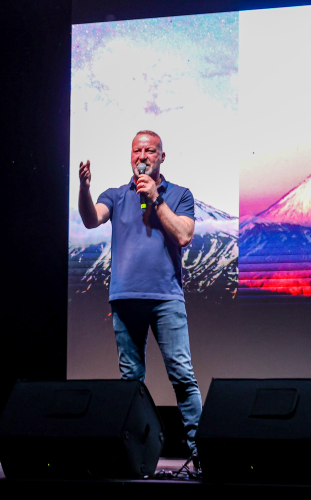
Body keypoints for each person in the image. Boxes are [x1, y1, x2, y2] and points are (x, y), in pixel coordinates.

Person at [78, 130, 203, 462]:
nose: (142, 157)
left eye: (149, 151)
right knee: (130, 382)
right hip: (125, 299)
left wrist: (155, 199)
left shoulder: (180, 194)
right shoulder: (115, 195)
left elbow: (184, 235)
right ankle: (133, 456)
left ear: (162, 157)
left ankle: (201, 454)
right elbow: (91, 219)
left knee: (182, 375)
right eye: (137, 151)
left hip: (166, 299)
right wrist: (84, 188)